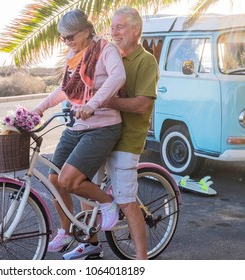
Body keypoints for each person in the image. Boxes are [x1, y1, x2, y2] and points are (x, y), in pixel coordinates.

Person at [63, 6, 159, 260]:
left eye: (121, 27)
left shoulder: (144, 60)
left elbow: (141, 105)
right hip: (99, 133)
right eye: (112, 27)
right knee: (86, 186)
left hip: (127, 138)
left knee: (126, 201)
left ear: (136, 30)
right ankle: (91, 243)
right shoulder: (106, 53)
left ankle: (141, 260)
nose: (115, 33)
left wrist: (103, 100)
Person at [32, 9, 126, 253]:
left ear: (86, 31)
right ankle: (65, 231)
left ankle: (108, 203)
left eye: (70, 36)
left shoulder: (106, 49)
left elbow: (118, 76)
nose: (67, 42)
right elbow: (65, 89)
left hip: (102, 127)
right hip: (76, 126)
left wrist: (92, 104)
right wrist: (39, 109)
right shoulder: (74, 56)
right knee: (54, 181)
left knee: (68, 180)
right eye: (63, 38)